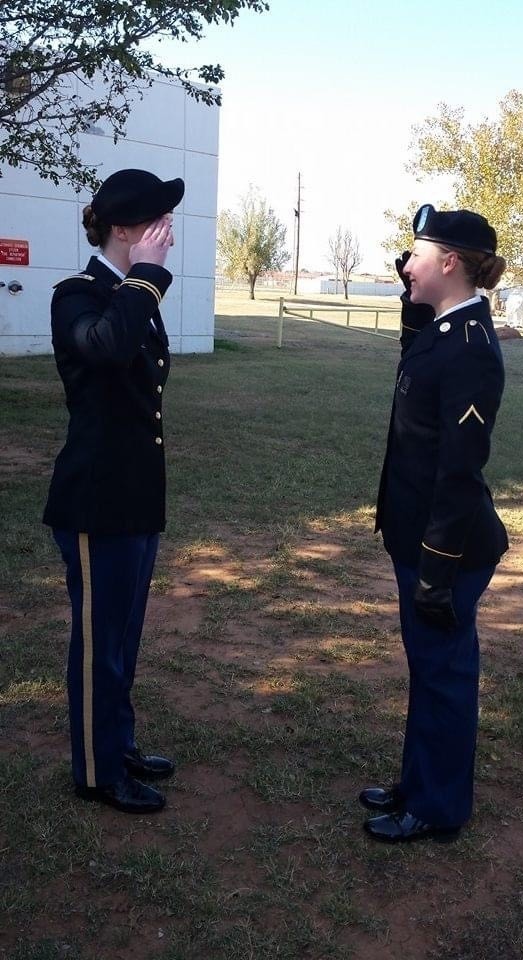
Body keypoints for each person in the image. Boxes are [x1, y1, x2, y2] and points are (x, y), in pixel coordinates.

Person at [361, 204, 509, 843]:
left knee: (444, 674)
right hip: (417, 537)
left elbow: (457, 470)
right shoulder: (443, 328)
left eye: (416, 255)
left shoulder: (472, 348)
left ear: (450, 262)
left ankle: (438, 806)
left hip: (445, 548)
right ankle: (419, 782)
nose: (405, 263)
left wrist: (437, 571)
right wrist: (409, 298)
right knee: (428, 667)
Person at [43, 168, 185, 813]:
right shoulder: (78, 295)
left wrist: (143, 283)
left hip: (133, 496)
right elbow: (105, 349)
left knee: (124, 636)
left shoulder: (130, 293)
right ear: (127, 230)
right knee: (101, 642)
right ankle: (98, 772)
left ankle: (117, 742)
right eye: (157, 221)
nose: (169, 231)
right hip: (96, 500)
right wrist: (147, 277)